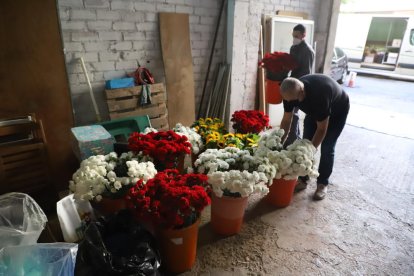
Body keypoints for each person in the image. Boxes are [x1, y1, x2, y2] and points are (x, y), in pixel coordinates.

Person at [279, 74, 350, 200]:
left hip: (337, 110)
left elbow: (322, 129)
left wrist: (309, 152)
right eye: (288, 100)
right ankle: (303, 178)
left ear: (302, 91)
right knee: (305, 142)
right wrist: (279, 142)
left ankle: (322, 183)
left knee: (327, 146)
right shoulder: (289, 93)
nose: (290, 102)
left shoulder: (319, 95)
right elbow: (286, 120)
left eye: (293, 100)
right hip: (315, 111)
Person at [284, 24, 315, 146]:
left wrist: (297, 88)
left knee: (294, 113)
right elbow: (290, 65)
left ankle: (293, 138)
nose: (294, 38)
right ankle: (294, 136)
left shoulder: (308, 51)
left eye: (297, 36)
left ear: (303, 35)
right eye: (293, 36)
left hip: (299, 87)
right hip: (291, 83)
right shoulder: (294, 47)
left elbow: (306, 73)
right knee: (291, 112)